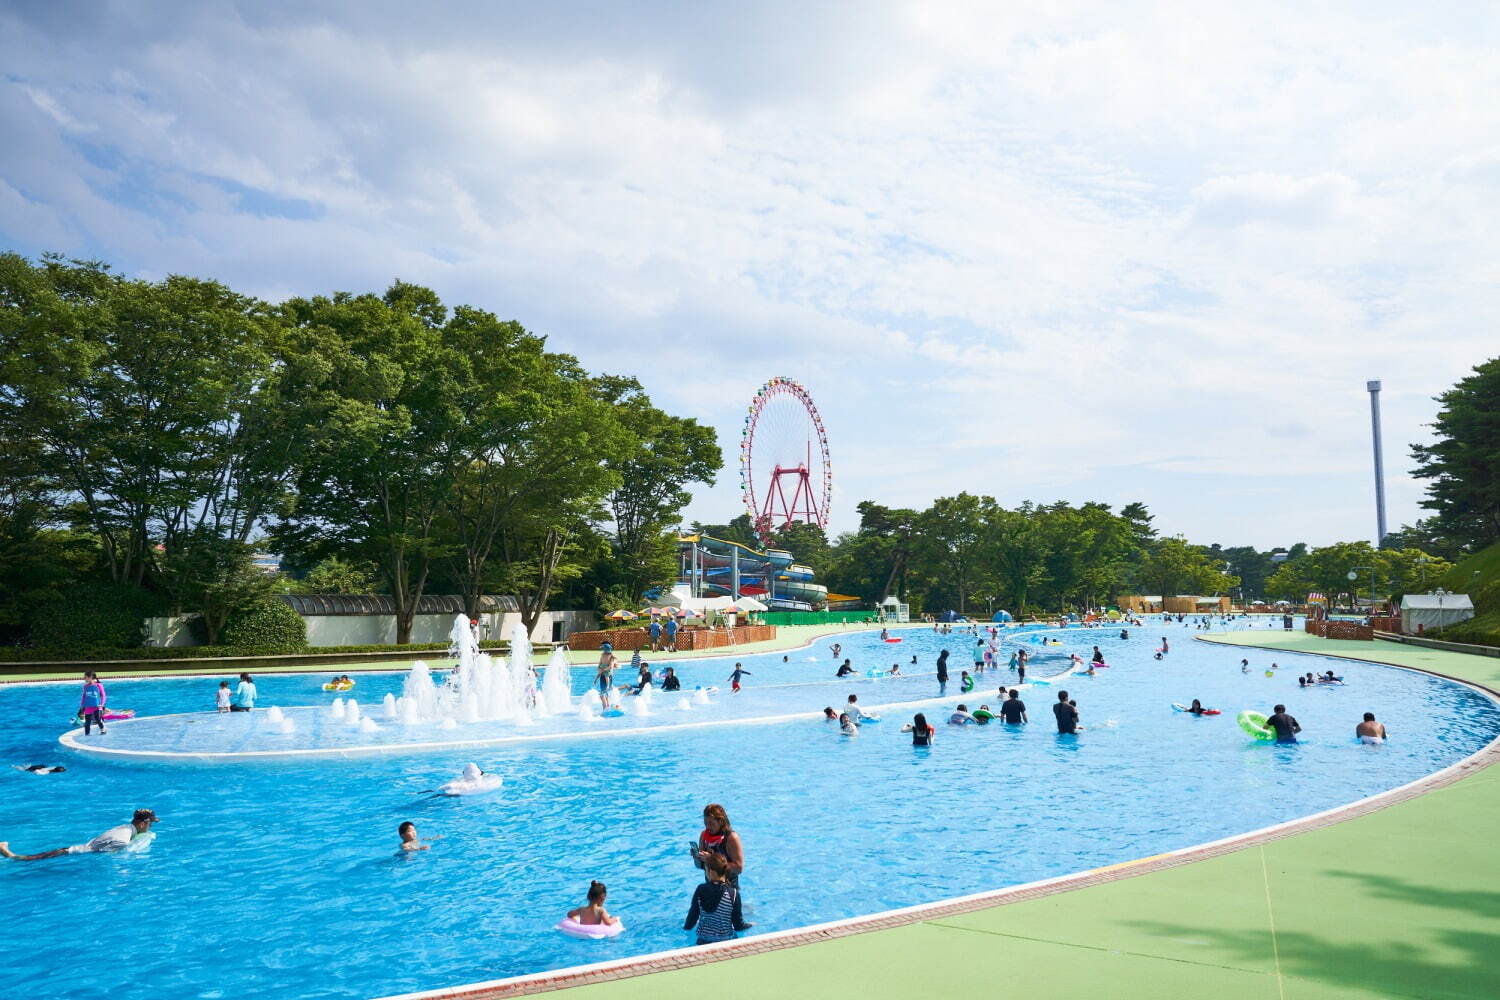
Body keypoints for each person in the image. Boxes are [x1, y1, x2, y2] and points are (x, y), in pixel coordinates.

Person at [1, 809, 159, 861]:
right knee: (30, 860)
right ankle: (8, 854)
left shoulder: (126, 827)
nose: (151, 826)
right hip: (75, 854)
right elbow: (108, 855)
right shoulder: (123, 839)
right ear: (143, 823)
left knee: (37, 857)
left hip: (76, 849)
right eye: (150, 823)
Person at [684, 853, 749, 944]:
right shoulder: (733, 893)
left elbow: (691, 919)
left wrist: (686, 928)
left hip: (703, 940)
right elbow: (738, 926)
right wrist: (750, 925)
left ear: (710, 871)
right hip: (726, 941)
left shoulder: (700, 889)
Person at [694, 804, 745, 886]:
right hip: (710, 887)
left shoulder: (731, 838)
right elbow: (700, 866)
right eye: (705, 823)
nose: (707, 827)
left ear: (720, 821)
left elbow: (739, 868)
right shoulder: (704, 836)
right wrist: (697, 857)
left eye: (711, 823)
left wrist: (711, 859)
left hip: (728, 889)